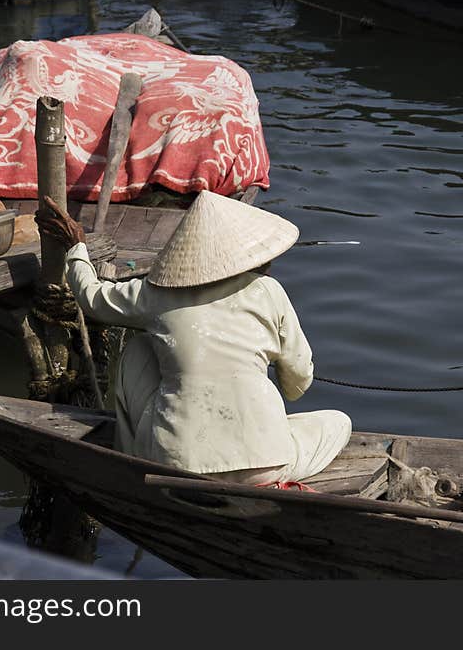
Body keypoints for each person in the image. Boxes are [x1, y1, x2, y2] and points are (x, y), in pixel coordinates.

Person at [36, 190, 351, 485]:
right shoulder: (268, 291)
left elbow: (92, 298)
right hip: (265, 464)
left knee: (138, 347)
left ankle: (132, 455)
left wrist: (77, 247)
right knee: (339, 422)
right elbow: (298, 384)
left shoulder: (154, 293)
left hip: (174, 462)